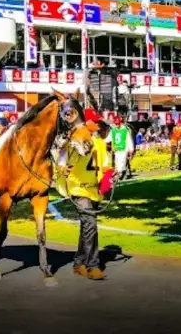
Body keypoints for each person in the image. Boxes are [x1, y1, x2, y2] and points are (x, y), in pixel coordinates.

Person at [54, 113, 109, 281]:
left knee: (88, 228)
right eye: (95, 122)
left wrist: (108, 176)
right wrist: (62, 169)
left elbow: (103, 166)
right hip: (78, 189)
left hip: (94, 190)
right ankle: (93, 265)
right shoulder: (72, 144)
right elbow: (60, 162)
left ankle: (79, 262)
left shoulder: (100, 144)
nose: (98, 125)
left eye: (98, 123)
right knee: (90, 224)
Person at [108, 115, 134, 179]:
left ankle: (120, 173)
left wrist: (131, 150)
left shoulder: (125, 131)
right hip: (116, 149)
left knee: (122, 161)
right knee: (117, 162)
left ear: (120, 123)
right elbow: (108, 138)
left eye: (118, 124)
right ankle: (120, 172)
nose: (117, 125)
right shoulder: (113, 131)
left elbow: (128, 140)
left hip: (123, 149)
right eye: (116, 124)